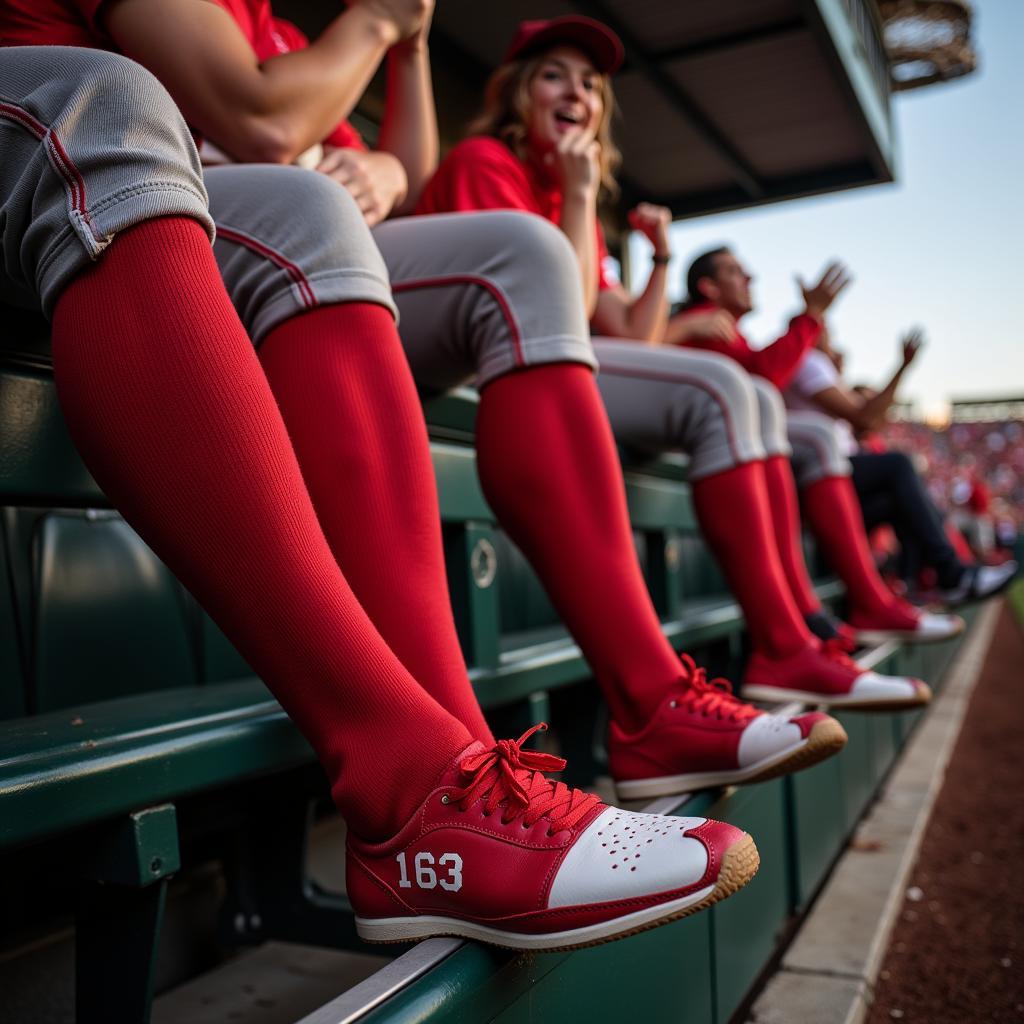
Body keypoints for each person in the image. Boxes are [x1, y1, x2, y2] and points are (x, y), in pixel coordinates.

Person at [0, 19, 775, 950]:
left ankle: (457, 775)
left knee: (333, 217)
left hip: (214, 196)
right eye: (556, 77)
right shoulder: (464, 129)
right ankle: (406, 782)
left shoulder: (289, 25)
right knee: (110, 100)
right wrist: (374, 22)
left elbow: (383, 167)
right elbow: (264, 123)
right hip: (110, 169)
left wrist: (407, 58)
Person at [417, 14, 934, 711]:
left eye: (591, 84)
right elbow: (547, 318)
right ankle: (783, 645)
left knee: (750, 395)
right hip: (491, 376)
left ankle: (800, 629)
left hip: (550, 369)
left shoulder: (565, 194)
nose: (578, 93)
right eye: (553, 75)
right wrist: (577, 197)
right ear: (516, 93)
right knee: (726, 386)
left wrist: (658, 255)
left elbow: (630, 328)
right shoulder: (486, 161)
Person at [667, 247, 965, 648]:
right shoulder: (697, 324)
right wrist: (808, 318)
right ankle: (852, 608)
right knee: (856, 451)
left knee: (881, 469)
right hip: (716, 464)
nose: (750, 277)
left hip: (758, 468)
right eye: (736, 271)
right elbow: (764, 376)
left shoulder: (724, 330)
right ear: (708, 286)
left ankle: (876, 598)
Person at [784, 327, 1018, 609]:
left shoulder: (817, 372)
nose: (837, 347)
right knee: (898, 465)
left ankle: (917, 584)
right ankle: (951, 576)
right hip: (819, 484)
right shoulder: (808, 361)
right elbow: (866, 419)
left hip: (830, 484)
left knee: (898, 498)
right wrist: (902, 367)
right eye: (829, 336)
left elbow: (869, 421)